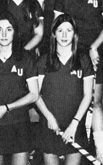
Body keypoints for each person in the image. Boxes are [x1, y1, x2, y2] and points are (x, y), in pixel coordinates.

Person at [54, 0, 103, 165]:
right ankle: (64, 144)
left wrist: (95, 47)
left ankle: (101, 150)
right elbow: (57, 26)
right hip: (70, 54)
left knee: (95, 101)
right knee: (69, 99)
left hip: (95, 53)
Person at [0, 11, 39, 165]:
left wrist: (8, 107)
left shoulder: (25, 57)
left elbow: (34, 94)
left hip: (19, 123)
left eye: (9, 29)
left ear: (15, 32)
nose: (4, 34)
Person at [35, 14, 94, 165]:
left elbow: (88, 95)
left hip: (74, 126)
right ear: (54, 34)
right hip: (50, 126)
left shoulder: (83, 60)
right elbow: (35, 95)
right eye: (60, 30)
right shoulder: (43, 61)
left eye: (69, 30)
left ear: (75, 34)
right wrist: (49, 117)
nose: (64, 35)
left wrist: (74, 124)